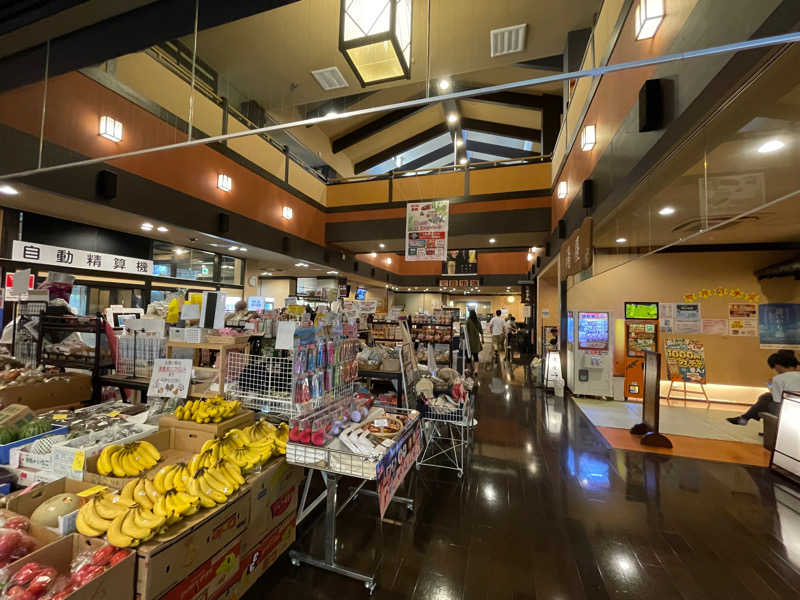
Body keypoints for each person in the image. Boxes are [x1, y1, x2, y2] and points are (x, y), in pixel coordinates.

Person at [727, 350, 800, 425]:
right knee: (766, 397)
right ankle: (744, 419)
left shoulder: (778, 379)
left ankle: (744, 419)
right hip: (795, 405)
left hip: (788, 409)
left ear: (778, 365)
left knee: (765, 399)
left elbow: (777, 400)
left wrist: (772, 388)